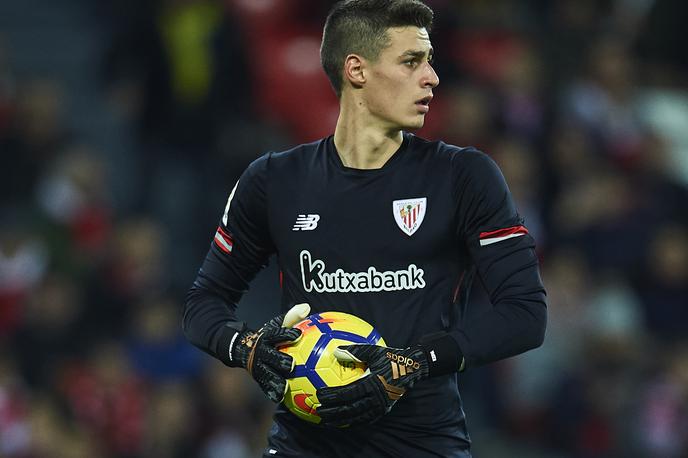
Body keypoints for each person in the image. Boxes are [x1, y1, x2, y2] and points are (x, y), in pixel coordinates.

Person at [183, 0, 547, 456]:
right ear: (357, 70)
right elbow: (202, 304)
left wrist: (416, 362)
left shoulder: (464, 176)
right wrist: (248, 348)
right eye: (412, 61)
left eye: (430, 61)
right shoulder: (273, 181)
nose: (432, 77)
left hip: (423, 444)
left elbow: (526, 315)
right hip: (306, 445)